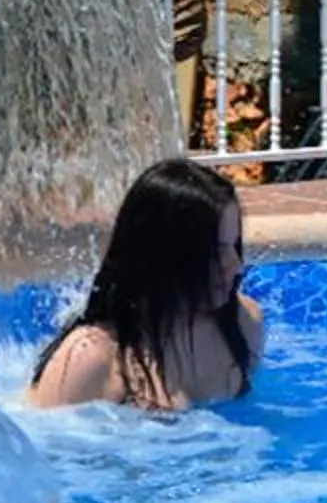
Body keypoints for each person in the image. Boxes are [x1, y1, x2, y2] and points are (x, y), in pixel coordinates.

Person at [27, 158, 265, 411]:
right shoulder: (93, 358)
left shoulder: (244, 324)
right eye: (215, 253)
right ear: (162, 256)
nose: (236, 265)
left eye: (234, 246)